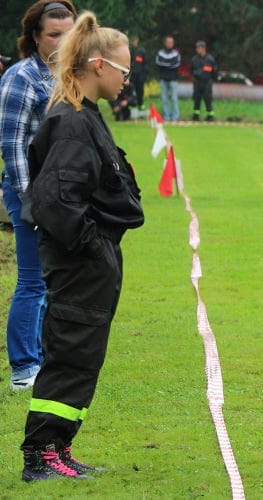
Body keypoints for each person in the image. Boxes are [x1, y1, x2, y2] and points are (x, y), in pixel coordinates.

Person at [19, 11, 144, 481]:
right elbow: (55, 201)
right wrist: (93, 248)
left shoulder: (85, 116)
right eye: (124, 70)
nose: (127, 79)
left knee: (83, 357)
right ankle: (40, 456)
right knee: (69, 355)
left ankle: (59, 447)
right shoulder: (71, 123)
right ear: (97, 65)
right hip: (79, 266)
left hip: (90, 265)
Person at [0, 0, 77, 392]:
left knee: (53, 279)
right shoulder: (21, 77)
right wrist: (31, 200)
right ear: (34, 36)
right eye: (53, 35)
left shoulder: (68, 76)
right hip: (30, 193)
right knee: (32, 280)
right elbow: (12, 145)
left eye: (68, 33)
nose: (62, 42)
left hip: (61, 194)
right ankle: (23, 368)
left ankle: (43, 355)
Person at [155, 35, 180, 121]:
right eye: (168, 42)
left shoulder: (176, 53)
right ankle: (166, 116)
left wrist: (165, 63)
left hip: (173, 79)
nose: (170, 44)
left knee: (174, 99)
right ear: (165, 43)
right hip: (163, 79)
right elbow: (159, 63)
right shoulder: (160, 53)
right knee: (164, 99)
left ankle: (175, 117)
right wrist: (169, 64)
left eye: (171, 42)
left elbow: (176, 64)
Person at [191, 40, 216, 122]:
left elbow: (212, 71)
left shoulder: (210, 59)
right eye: (197, 48)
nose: (197, 49)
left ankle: (210, 116)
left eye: (199, 48)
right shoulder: (194, 59)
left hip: (207, 82)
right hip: (197, 82)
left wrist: (205, 76)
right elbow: (191, 70)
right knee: (196, 99)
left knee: (208, 99)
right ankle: (196, 115)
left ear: (203, 48)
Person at [129, 35, 147, 111]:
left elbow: (145, 64)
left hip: (140, 75)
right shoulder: (129, 50)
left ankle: (140, 105)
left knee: (140, 91)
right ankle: (132, 105)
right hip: (131, 75)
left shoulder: (141, 51)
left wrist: (144, 75)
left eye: (135, 40)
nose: (134, 42)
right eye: (132, 40)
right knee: (131, 90)